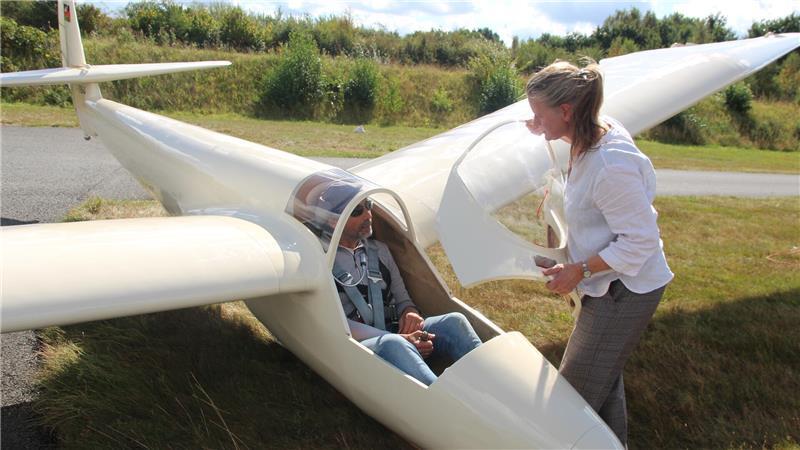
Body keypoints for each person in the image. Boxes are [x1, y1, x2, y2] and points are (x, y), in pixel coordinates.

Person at [525, 60, 673, 446]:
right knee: (603, 381)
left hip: (626, 289)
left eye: (539, 114)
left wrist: (580, 270)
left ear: (566, 111)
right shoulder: (587, 133)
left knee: (572, 397)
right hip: (608, 282)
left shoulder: (610, 165)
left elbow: (640, 241)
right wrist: (543, 127)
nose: (534, 121)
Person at [315, 182, 482, 386]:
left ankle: (490, 381)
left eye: (368, 205)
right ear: (334, 221)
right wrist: (402, 339)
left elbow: (403, 299)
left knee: (454, 321)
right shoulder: (321, 259)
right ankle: (447, 399)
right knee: (393, 343)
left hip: (395, 332)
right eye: (357, 211)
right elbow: (338, 322)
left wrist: (410, 314)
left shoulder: (380, 250)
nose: (368, 215)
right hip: (359, 344)